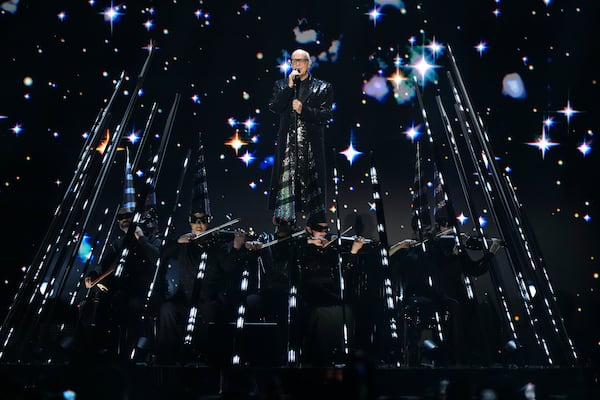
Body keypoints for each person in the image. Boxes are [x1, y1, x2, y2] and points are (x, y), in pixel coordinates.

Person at [156, 210, 259, 365]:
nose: (198, 224)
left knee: (211, 315)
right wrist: (178, 241)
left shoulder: (217, 246)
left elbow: (228, 267)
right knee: (166, 310)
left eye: (202, 220)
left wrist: (237, 248)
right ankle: (168, 358)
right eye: (195, 220)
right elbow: (162, 254)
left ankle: (205, 358)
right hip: (185, 299)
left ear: (208, 222)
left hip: (208, 299)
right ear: (190, 222)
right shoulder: (184, 244)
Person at [271, 212, 365, 366]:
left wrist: (353, 251)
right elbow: (284, 251)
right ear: (309, 229)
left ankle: (337, 355)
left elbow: (341, 273)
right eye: (319, 229)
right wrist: (308, 243)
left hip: (328, 295)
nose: (323, 233)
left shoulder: (330, 250)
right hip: (307, 296)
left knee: (346, 311)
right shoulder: (300, 247)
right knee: (319, 315)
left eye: (326, 229)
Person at [80, 206, 161, 360]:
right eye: (120, 217)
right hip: (120, 291)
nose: (123, 219)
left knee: (131, 306)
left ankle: (130, 353)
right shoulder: (118, 243)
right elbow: (103, 264)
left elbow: (155, 258)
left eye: (128, 216)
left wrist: (141, 238)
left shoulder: (153, 240)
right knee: (91, 305)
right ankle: (94, 351)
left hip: (144, 291)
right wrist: (92, 275)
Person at [267, 48, 335, 234]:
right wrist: (289, 87)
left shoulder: (323, 87)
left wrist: (303, 110)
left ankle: (315, 232)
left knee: (313, 191)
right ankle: (283, 229)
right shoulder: (282, 85)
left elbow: (326, 115)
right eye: (294, 61)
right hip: (288, 146)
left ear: (309, 63)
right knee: (286, 188)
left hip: (310, 146)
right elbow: (274, 106)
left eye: (302, 60)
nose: (298, 64)